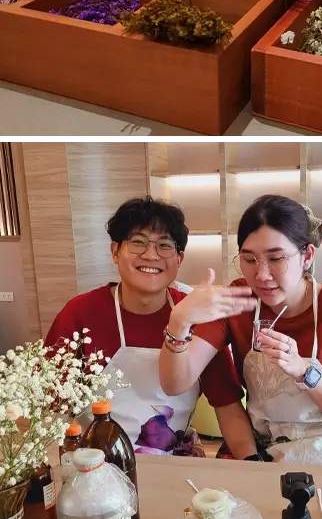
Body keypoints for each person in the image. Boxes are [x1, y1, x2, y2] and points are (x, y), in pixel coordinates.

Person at [158, 194, 322, 467]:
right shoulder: (237, 300)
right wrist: (179, 322)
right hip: (264, 449)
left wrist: (302, 370)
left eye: (276, 259)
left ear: (307, 256)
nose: (262, 275)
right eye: (249, 260)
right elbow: (174, 384)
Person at [45, 196, 256, 459]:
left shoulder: (196, 314)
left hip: (174, 461)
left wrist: (253, 464)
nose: (151, 254)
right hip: (96, 462)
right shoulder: (80, 313)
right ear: (114, 251)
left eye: (164, 245)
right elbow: (52, 406)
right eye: (138, 242)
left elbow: (227, 405)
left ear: (179, 259)